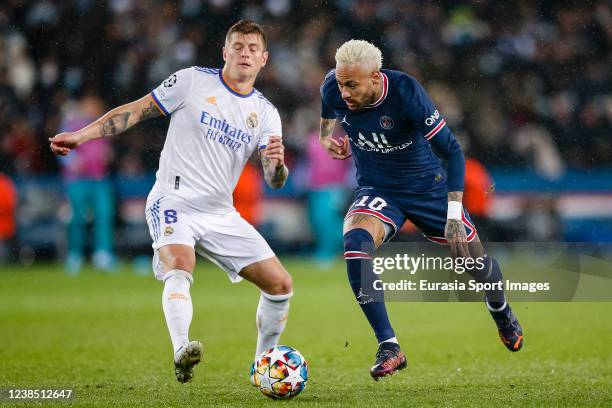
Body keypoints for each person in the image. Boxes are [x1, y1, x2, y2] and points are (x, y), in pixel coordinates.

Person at [50, 20, 293, 385]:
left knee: (280, 285)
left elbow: (276, 179)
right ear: (224, 52)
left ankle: (262, 367)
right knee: (180, 265)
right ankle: (182, 349)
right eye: (238, 46)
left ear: (264, 59)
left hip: (220, 213)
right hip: (173, 200)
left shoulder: (266, 113)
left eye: (253, 48)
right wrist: (81, 136)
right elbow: (134, 111)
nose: (245, 53)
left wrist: (276, 165)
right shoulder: (192, 81)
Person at [319, 40, 523, 380]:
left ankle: (501, 310)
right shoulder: (332, 87)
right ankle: (389, 346)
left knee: (475, 264)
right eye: (340, 83)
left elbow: (453, 151)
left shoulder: (405, 92)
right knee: (355, 243)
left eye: (351, 84)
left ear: (374, 77)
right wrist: (326, 137)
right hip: (378, 190)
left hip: (427, 190)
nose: (344, 92)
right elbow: (327, 117)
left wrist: (455, 215)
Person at [57, 94, 116, 273]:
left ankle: (103, 254)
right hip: (78, 181)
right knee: (76, 218)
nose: (94, 110)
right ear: (84, 106)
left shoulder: (102, 127)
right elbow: (61, 147)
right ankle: (75, 255)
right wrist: (72, 160)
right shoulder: (72, 125)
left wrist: (108, 154)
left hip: (99, 179)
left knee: (104, 215)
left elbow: (106, 150)